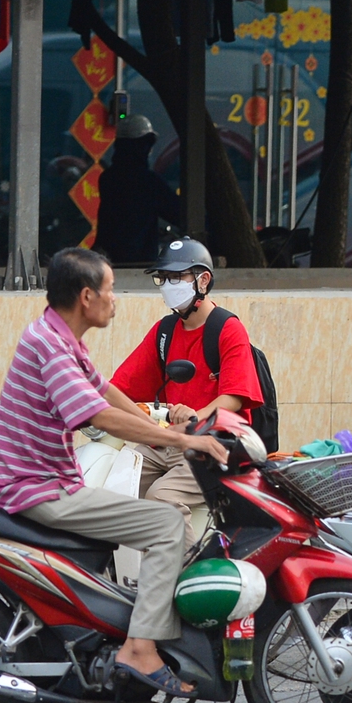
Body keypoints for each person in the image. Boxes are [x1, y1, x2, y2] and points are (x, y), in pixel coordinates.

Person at [0, 246, 228, 703]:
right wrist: (182, 443)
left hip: (42, 481)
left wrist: (164, 423)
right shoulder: (51, 348)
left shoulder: (59, 336)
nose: (117, 301)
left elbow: (109, 394)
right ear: (87, 295)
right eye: (112, 291)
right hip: (38, 490)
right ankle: (140, 648)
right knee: (164, 523)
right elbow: (95, 415)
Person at [107, 237, 262, 554]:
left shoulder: (227, 328)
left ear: (203, 280)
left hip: (214, 443)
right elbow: (118, 387)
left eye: (177, 277)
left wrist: (197, 414)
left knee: (163, 497)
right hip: (167, 440)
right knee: (107, 493)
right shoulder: (164, 331)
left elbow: (234, 396)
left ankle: (194, 578)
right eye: (163, 278)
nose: (167, 285)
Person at [92, 114, 177, 265]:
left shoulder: (108, 178)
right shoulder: (149, 182)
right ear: (142, 146)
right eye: (148, 143)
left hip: (107, 261)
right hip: (139, 263)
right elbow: (178, 213)